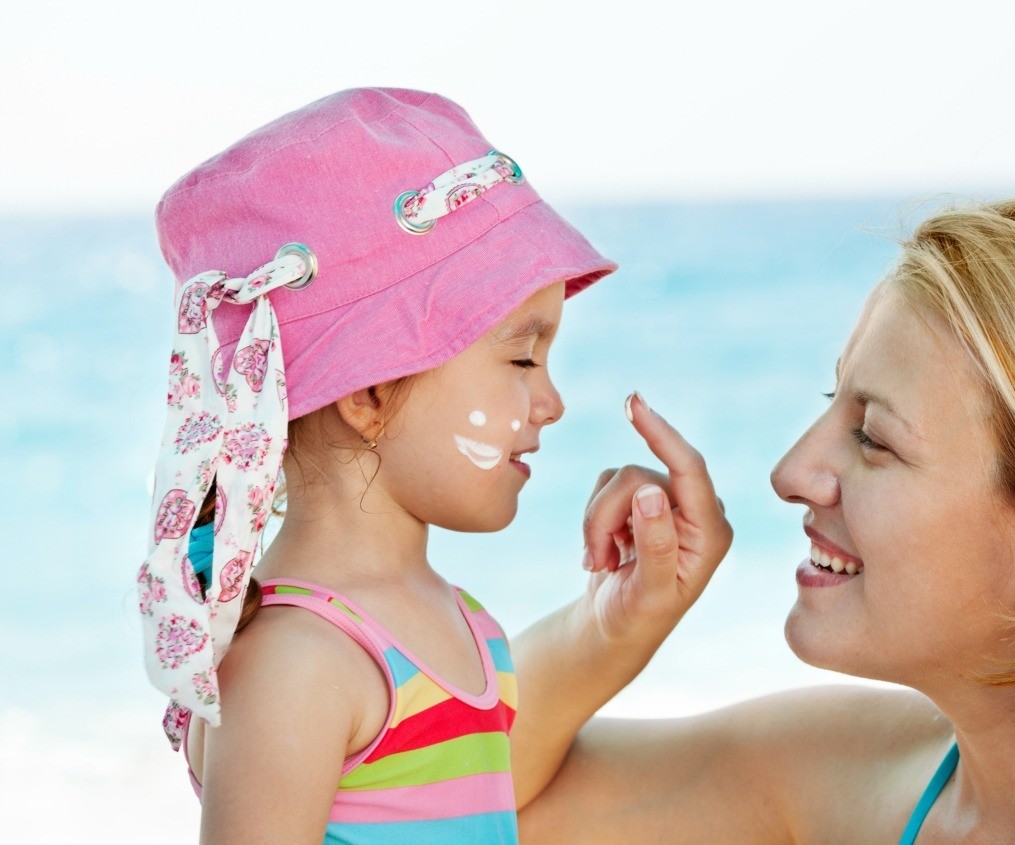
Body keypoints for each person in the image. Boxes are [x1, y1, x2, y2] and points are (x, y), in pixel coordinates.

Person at [514, 198, 1015, 843]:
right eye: (832, 398)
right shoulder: (848, 774)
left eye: (873, 437)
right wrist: (603, 631)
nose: (790, 473)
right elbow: (479, 802)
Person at [134, 86, 694, 844]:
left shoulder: (469, 627)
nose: (552, 402)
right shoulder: (296, 665)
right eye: (522, 359)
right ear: (368, 394)